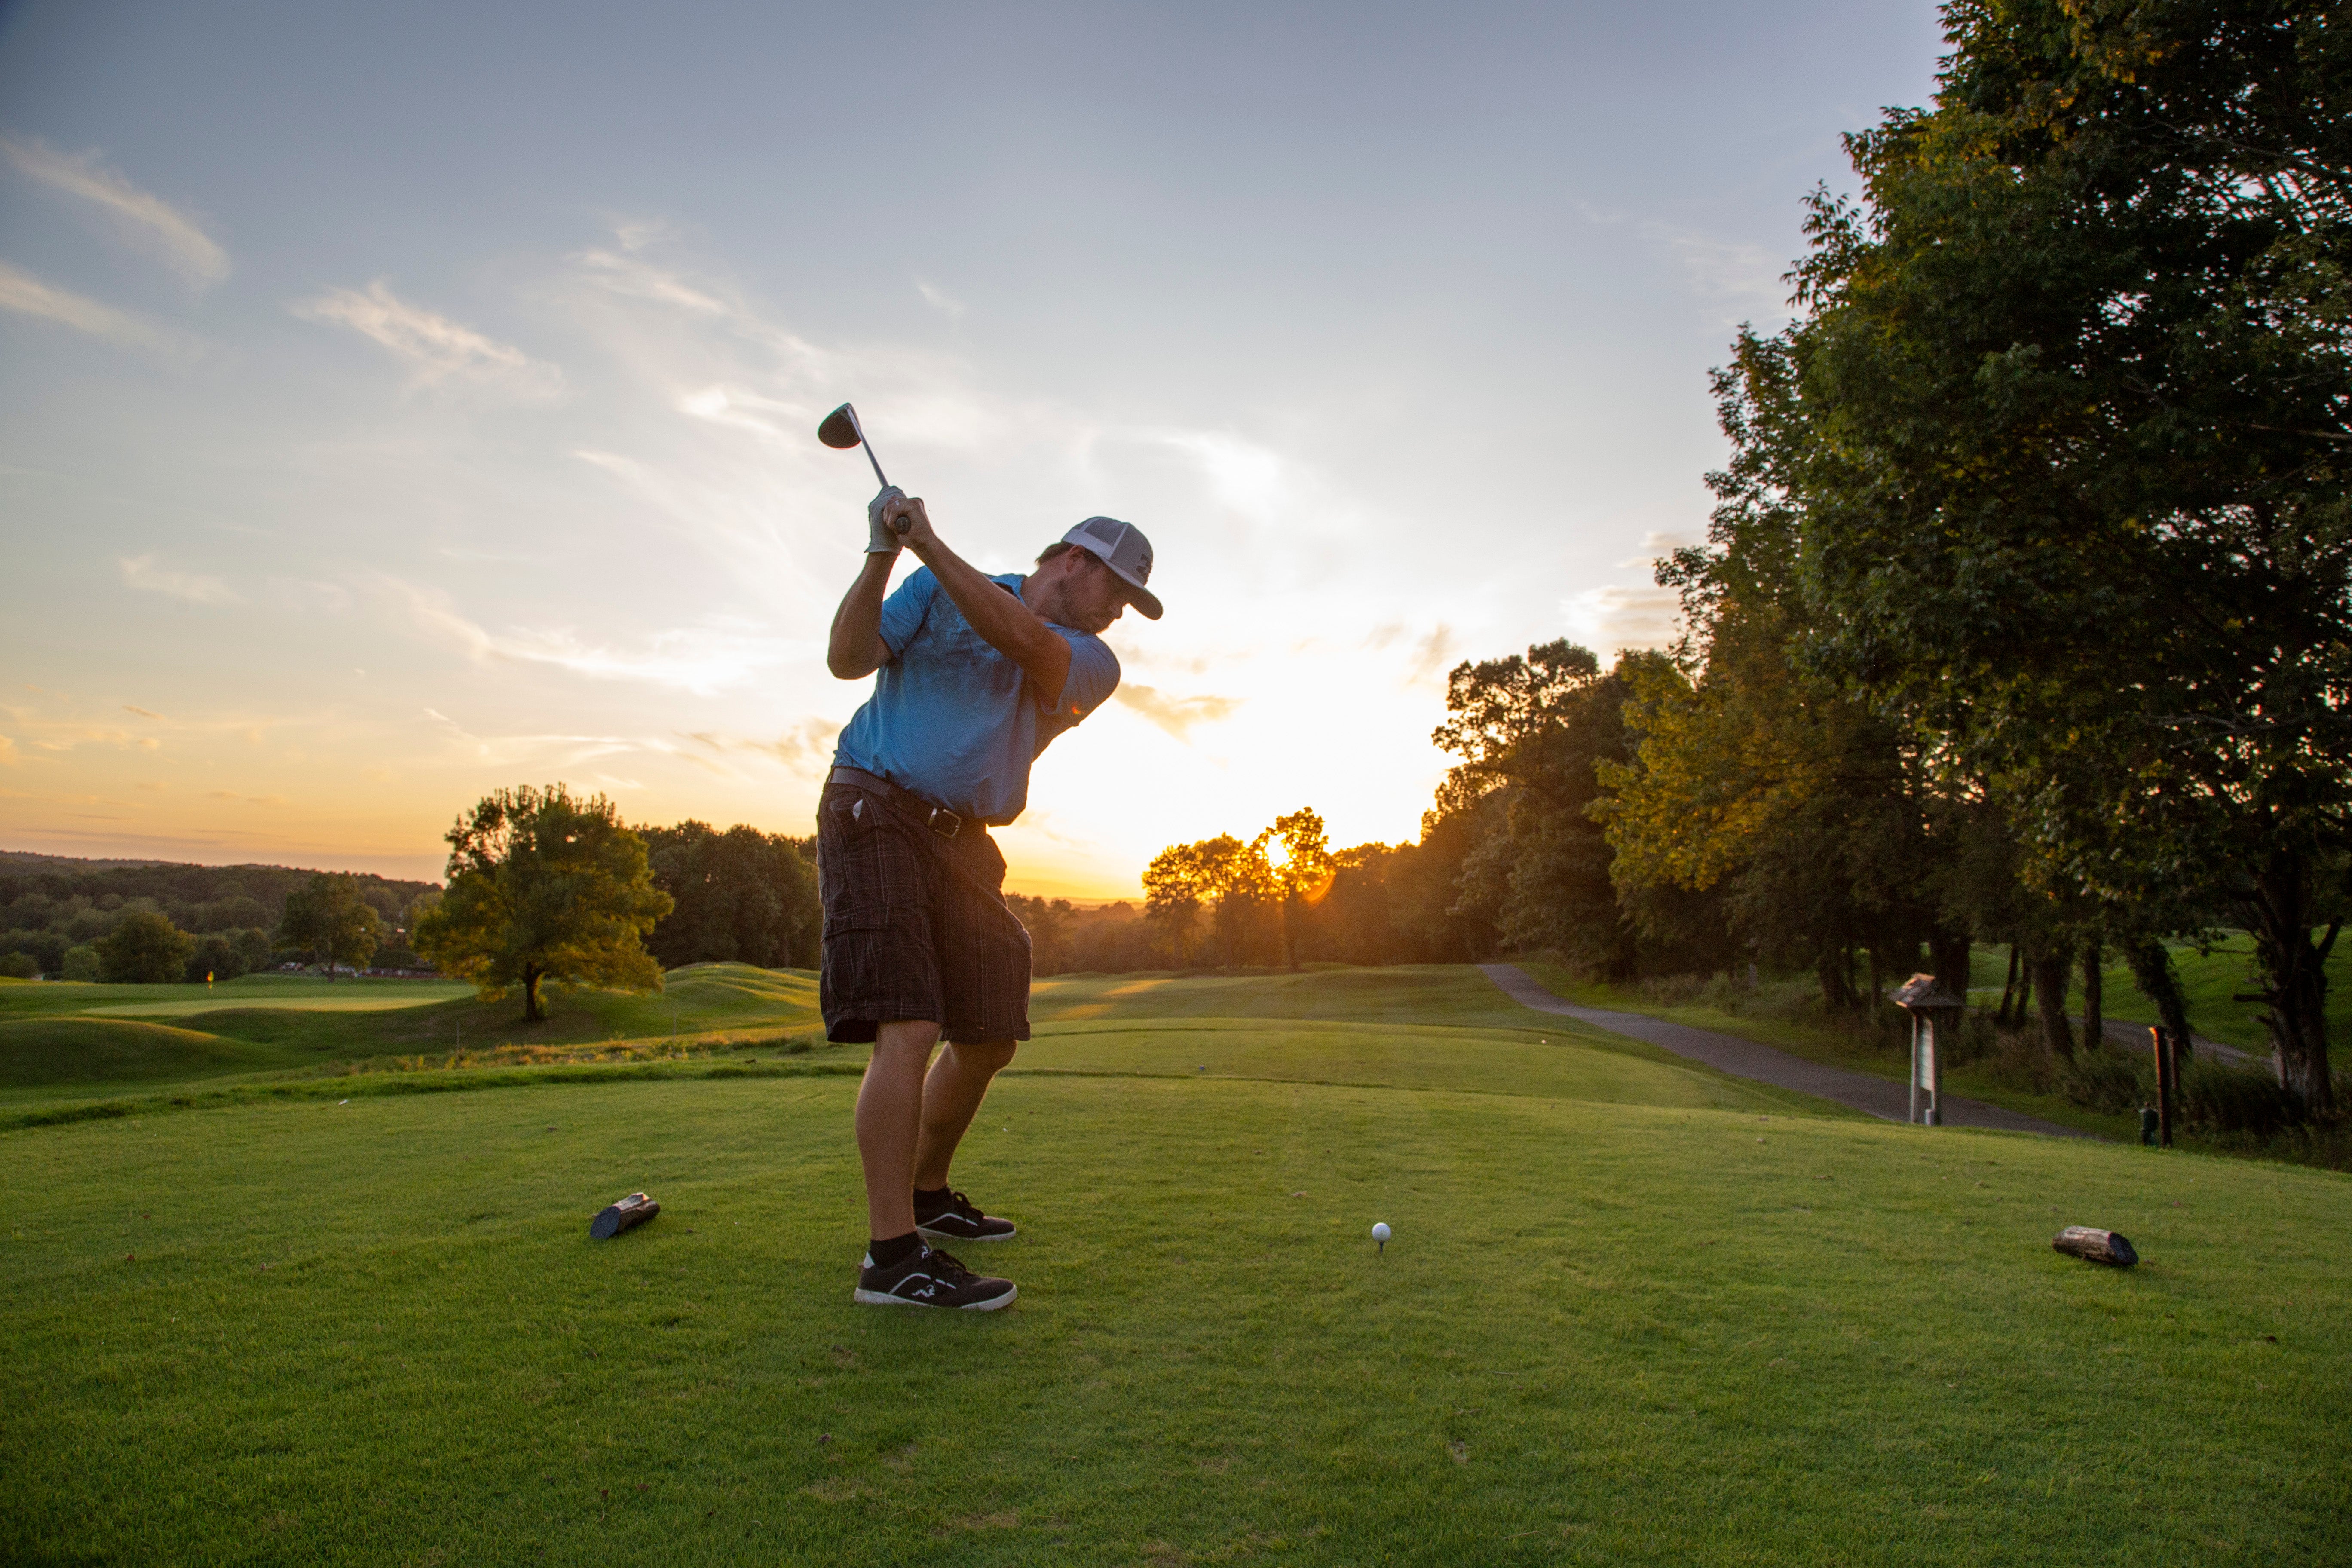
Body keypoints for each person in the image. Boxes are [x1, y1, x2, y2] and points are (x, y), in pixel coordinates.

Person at [821, 482, 1162, 1310]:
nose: (1117, 615)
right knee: (910, 1020)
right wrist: (884, 553)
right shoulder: (932, 585)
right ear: (1073, 560)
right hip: (874, 803)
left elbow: (1025, 646)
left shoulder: (1092, 661)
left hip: (966, 841)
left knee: (990, 1029)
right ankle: (892, 1257)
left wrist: (931, 543)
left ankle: (929, 1194)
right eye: (1116, 593)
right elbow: (847, 658)